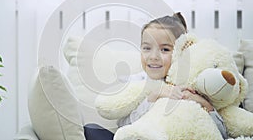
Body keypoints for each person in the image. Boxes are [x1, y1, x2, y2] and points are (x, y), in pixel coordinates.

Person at [84, 13, 228, 140]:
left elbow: (222, 134)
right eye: (146, 48)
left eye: (165, 49)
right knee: (91, 130)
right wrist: (155, 96)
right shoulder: (136, 82)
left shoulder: (195, 83)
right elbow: (124, 126)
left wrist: (204, 104)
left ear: (181, 52)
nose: (153, 57)